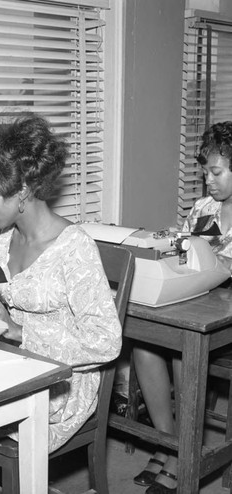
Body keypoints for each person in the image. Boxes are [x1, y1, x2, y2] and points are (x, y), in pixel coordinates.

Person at [0, 114, 123, 493]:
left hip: (61, 385)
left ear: (22, 191)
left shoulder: (74, 249)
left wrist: (20, 331)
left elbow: (105, 341)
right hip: (12, 367)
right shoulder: (5, 241)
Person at [132, 121, 232, 494]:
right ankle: (168, 441)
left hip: (224, 319)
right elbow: (185, 254)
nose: (208, 180)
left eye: (217, 172)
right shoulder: (203, 208)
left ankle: (181, 455)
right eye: (205, 171)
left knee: (180, 349)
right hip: (195, 305)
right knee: (142, 348)